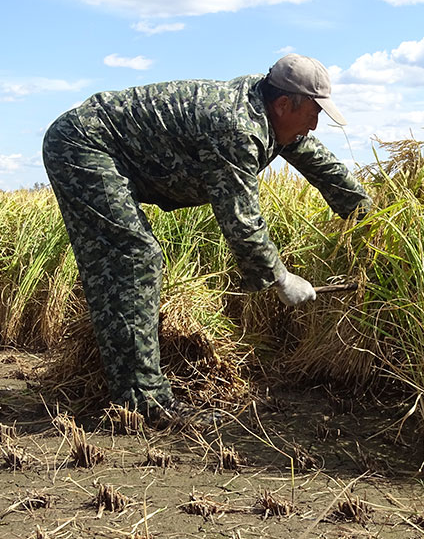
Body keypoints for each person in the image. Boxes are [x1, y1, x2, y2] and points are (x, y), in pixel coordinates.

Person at [42, 53, 371, 427]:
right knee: (133, 258)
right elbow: (242, 223)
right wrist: (281, 278)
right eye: (314, 113)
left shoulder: (271, 110)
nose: (314, 125)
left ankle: (128, 381)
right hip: (84, 145)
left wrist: (373, 219)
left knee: (134, 258)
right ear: (284, 104)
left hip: (116, 152)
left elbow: (323, 165)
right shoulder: (237, 128)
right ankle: (143, 402)